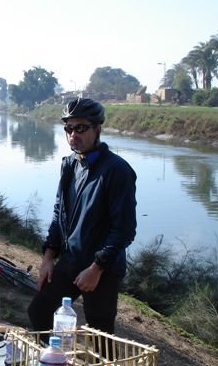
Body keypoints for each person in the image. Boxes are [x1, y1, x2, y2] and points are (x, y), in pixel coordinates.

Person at [27, 98, 137, 336]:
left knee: (100, 335)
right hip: (72, 259)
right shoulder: (69, 164)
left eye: (81, 128)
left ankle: (100, 363)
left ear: (98, 129)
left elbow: (125, 229)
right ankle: (54, 357)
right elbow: (59, 212)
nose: (73, 135)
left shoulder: (118, 171)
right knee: (39, 311)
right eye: (68, 128)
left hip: (103, 268)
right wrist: (48, 258)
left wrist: (96, 269)